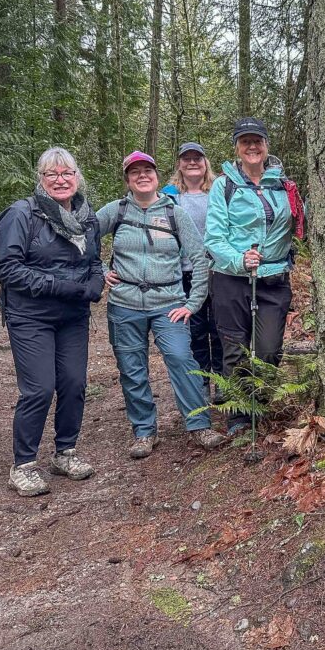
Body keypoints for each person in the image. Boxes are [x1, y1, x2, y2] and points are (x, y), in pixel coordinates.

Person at [98, 151, 226, 458]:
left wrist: (193, 302)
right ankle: (144, 431)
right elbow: (83, 240)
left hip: (168, 302)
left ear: (156, 175)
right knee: (132, 368)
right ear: (127, 179)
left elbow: (198, 257)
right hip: (124, 304)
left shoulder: (174, 212)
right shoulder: (114, 211)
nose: (142, 176)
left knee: (182, 359)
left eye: (147, 170)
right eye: (134, 172)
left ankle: (199, 425)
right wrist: (100, 271)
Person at [0, 147, 104, 496]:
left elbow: (95, 261)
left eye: (67, 173)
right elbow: (8, 269)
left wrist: (96, 285)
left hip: (73, 315)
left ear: (77, 177)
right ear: (40, 179)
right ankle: (23, 464)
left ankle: (65, 452)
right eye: (51, 174)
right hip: (30, 316)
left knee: (74, 383)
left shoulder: (88, 217)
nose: (60, 180)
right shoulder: (22, 214)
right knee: (39, 388)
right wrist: (63, 286)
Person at [205, 117, 301, 440]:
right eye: (245, 141)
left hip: (273, 278)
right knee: (234, 349)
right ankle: (239, 416)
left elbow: (300, 218)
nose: (252, 146)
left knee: (269, 350)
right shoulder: (223, 185)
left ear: (266, 145)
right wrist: (239, 259)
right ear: (236, 147)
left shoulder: (283, 184)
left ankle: (259, 404)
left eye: (257, 140)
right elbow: (214, 239)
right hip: (231, 280)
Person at [165, 142, 224, 402]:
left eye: (197, 158)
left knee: (221, 327)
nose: (192, 163)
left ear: (205, 163)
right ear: (179, 164)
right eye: (186, 159)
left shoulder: (219, 192)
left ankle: (222, 380)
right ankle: (201, 382)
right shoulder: (168, 196)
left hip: (220, 270)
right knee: (195, 330)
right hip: (185, 273)